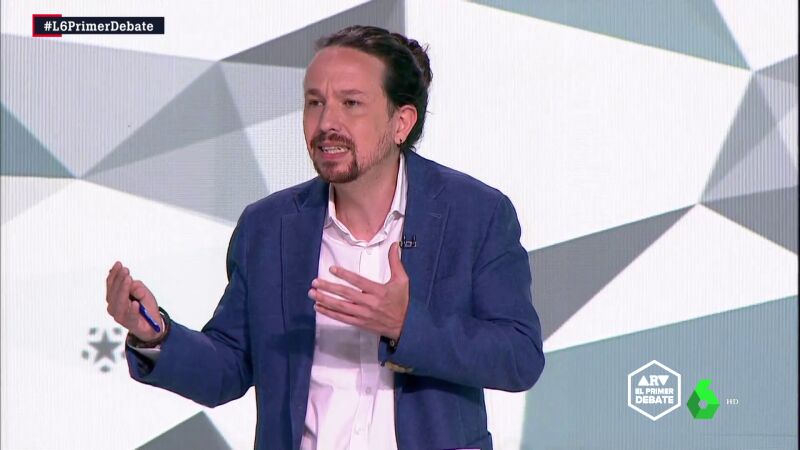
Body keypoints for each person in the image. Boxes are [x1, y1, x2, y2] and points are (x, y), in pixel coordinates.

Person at [105, 25, 544, 450]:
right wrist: (154, 336)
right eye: (314, 102)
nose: (326, 122)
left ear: (401, 122)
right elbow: (229, 365)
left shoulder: (475, 214)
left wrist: (405, 326)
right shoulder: (268, 227)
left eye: (351, 103)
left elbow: (519, 357)